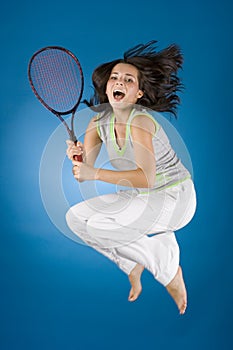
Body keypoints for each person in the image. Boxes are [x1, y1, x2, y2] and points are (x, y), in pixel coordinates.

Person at [66, 40, 196, 315]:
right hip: (142, 197)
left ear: (138, 93)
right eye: (114, 77)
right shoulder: (98, 122)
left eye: (128, 79)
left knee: (100, 226)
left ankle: (168, 269)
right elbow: (83, 174)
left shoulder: (140, 121)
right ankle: (133, 263)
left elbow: (146, 178)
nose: (119, 82)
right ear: (107, 87)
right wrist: (77, 159)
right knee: (75, 219)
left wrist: (94, 173)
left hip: (174, 198)